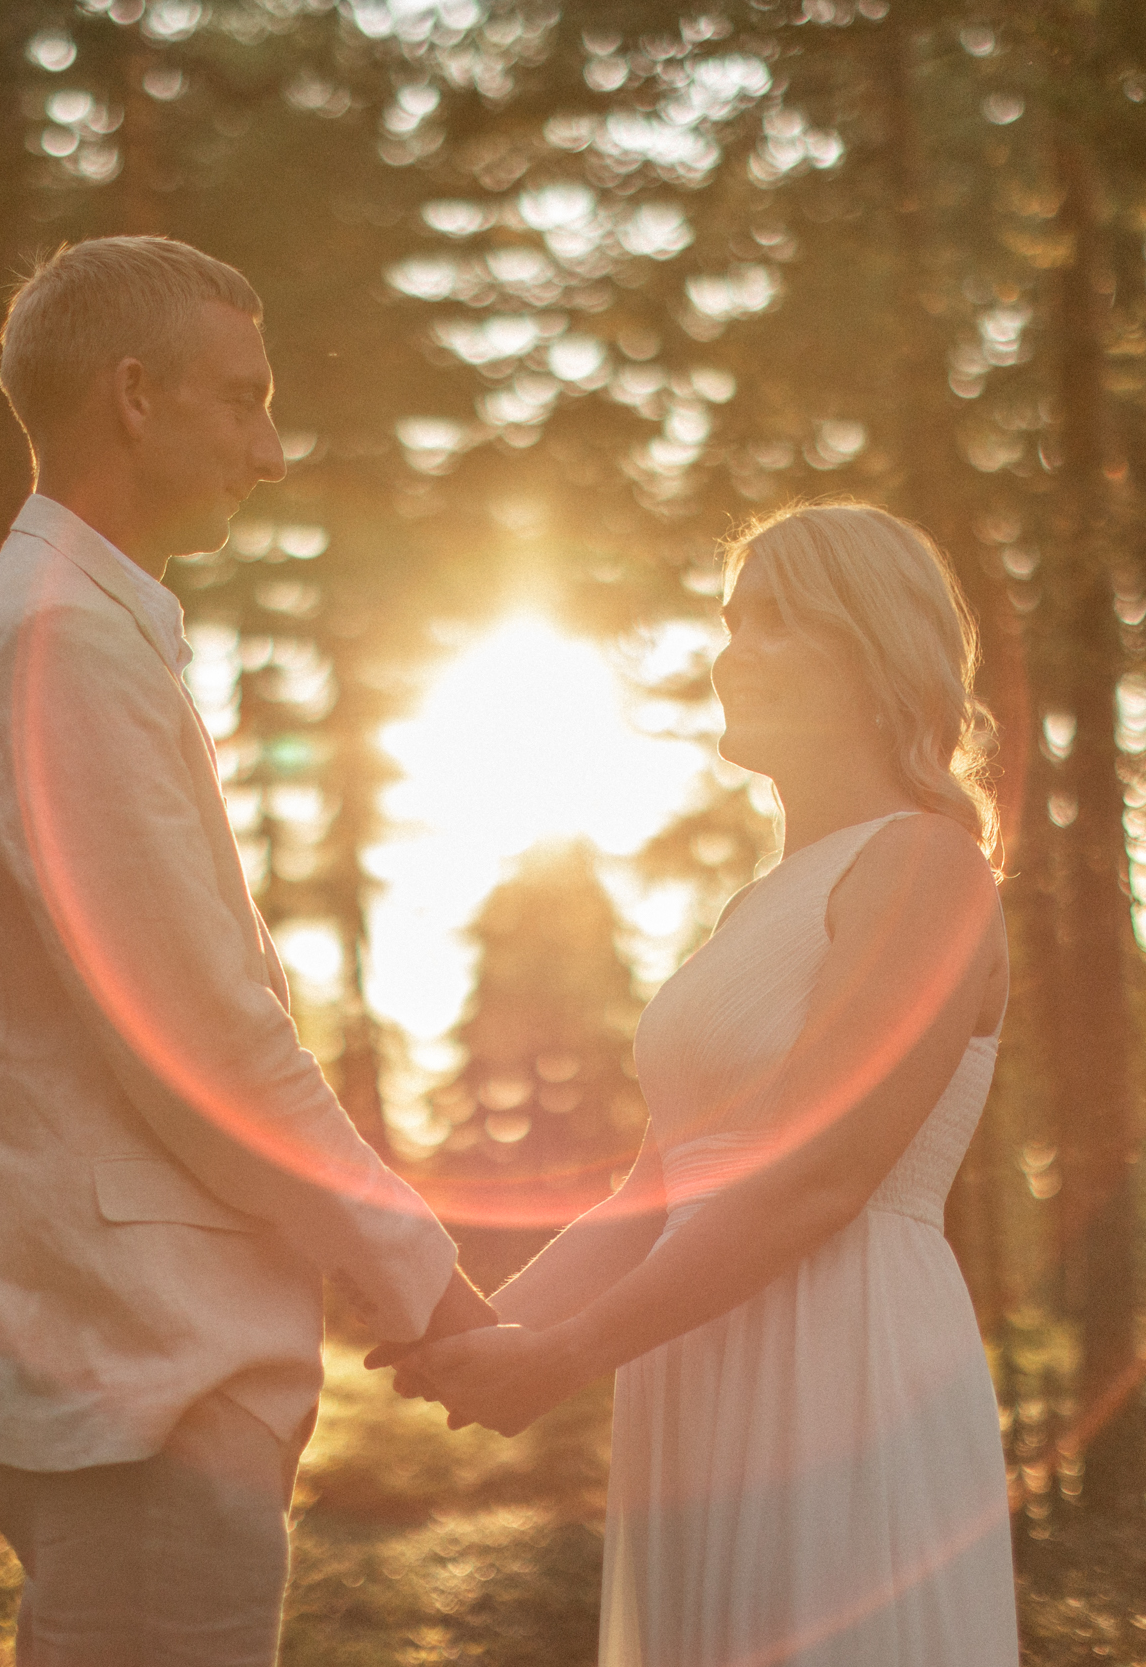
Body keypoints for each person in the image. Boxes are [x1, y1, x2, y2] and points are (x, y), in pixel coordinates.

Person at [0, 235, 494, 1667]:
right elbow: (205, 1043)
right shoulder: (58, 649)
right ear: (133, 395)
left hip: (131, 1368)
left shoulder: (69, 634)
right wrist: (423, 1280)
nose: (274, 451)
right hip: (148, 1380)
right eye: (243, 399)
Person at [398, 503, 1022, 1666]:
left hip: (841, 1361)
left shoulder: (925, 866)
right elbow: (656, 1189)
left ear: (873, 648)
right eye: (729, 621)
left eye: (775, 620)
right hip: (699, 1364)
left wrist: (566, 1355)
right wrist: (467, 1324)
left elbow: (821, 1175)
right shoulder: (754, 909)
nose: (730, 652)